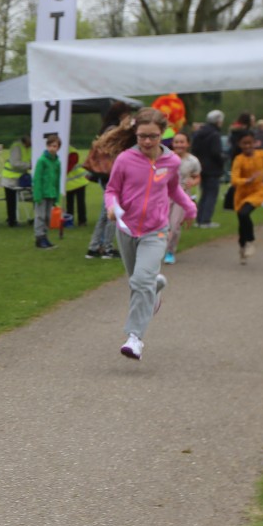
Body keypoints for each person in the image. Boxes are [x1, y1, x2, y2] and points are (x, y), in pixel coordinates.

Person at [104, 108, 196, 361]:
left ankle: (134, 338)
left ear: (162, 134)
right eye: (142, 136)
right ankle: (154, 288)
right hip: (126, 228)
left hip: (156, 230)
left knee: (140, 282)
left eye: (153, 136)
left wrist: (189, 207)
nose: (147, 141)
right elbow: (111, 190)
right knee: (138, 281)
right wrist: (111, 206)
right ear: (135, 133)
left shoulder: (171, 162)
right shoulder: (125, 159)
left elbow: (174, 189)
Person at [83, 114, 135, 259]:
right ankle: (107, 248)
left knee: (105, 214)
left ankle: (94, 247)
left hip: (105, 179)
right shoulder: (116, 144)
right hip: (112, 180)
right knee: (112, 213)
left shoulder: (105, 139)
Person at [230, 131, 263, 265]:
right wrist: (247, 180)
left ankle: (250, 241)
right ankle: (242, 246)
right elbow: (234, 179)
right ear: (239, 145)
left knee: (244, 213)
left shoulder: (262, 155)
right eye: (244, 143)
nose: (247, 146)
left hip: (257, 192)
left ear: (255, 143)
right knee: (242, 221)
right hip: (242, 193)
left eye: (250, 143)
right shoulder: (239, 159)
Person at [164, 132, 201, 265]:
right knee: (161, 224)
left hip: (182, 195)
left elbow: (197, 176)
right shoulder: (166, 157)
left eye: (182, 142)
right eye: (176, 142)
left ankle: (170, 252)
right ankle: (157, 249)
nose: (179, 145)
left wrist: (193, 182)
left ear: (187, 144)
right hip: (164, 194)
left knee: (174, 225)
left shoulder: (193, 161)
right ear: (172, 144)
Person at [191, 110, 224, 228]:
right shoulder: (215, 134)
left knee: (204, 194)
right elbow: (216, 152)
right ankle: (206, 220)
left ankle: (199, 219)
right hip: (212, 168)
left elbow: (194, 149)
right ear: (218, 121)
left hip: (200, 167)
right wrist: (222, 161)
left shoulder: (199, 133)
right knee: (211, 194)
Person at [32, 133, 62, 250]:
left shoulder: (57, 162)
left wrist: (56, 196)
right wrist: (37, 194)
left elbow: (57, 180)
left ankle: (44, 236)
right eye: (50, 146)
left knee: (48, 217)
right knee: (40, 216)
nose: (52, 148)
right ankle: (39, 238)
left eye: (55, 146)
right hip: (42, 193)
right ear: (47, 146)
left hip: (51, 193)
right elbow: (37, 178)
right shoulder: (42, 160)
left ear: (58, 148)